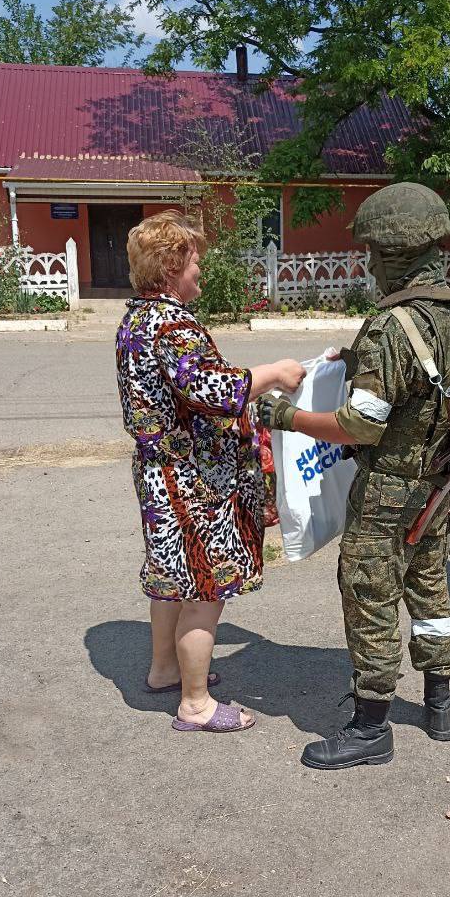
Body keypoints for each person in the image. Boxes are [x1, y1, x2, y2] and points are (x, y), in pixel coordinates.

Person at [261, 182, 450, 769]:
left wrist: (289, 416)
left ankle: (370, 726)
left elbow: (360, 425)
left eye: (371, 252)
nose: (366, 263)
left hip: (391, 486)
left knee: (369, 593)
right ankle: (439, 698)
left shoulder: (394, 325)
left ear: (393, 252)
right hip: (444, 481)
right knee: (430, 585)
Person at [116, 212, 305, 733]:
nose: (201, 268)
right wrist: (275, 374)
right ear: (173, 265)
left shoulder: (136, 318)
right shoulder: (172, 325)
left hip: (161, 472)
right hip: (193, 481)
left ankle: (164, 670)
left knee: (171, 580)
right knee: (204, 587)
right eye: (195, 260)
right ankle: (195, 704)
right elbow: (215, 391)